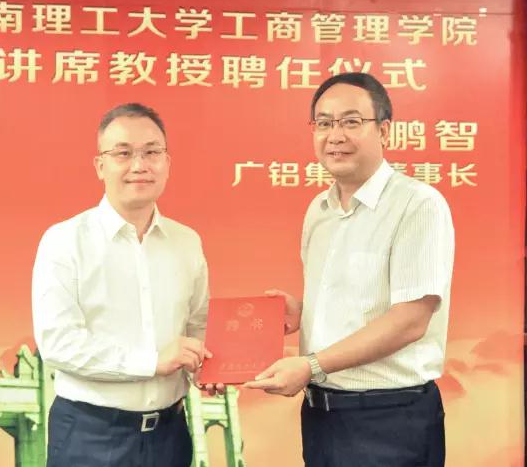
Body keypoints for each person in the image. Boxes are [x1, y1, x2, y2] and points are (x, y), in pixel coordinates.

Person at [245, 72, 455, 467]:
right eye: (324, 123)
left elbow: (411, 320)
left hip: (389, 419)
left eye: (351, 122)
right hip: (322, 416)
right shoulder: (319, 211)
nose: (335, 136)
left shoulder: (417, 205)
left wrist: (310, 365)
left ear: (384, 131)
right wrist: (303, 311)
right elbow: (359, 305)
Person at [32, 103, 210, 467]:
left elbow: (198, 325)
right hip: (90, 435)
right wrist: (152, 362)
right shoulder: (64, 241)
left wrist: (207, 367)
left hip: (170, 435)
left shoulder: (187, 242)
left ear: (167, 163)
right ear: (100, 166)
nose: (139, 165)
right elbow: (58, 343)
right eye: (123, 153)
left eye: (152, 152)